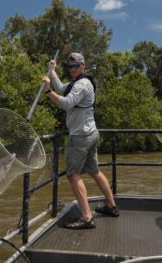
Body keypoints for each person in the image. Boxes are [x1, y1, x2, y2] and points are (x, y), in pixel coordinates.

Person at [42, 52, 119, 230]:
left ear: (83, 65)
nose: (72, 69)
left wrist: (47, 91)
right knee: (94, 171)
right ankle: (111, 206)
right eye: (70, 67)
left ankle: (86, 218)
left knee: (72, 175)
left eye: (76, 65)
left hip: (81, 136)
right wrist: (52, 72)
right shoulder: (77, 82)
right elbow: (62, 89)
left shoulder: (82, 84)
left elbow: (66, 103)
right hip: (90, 133)